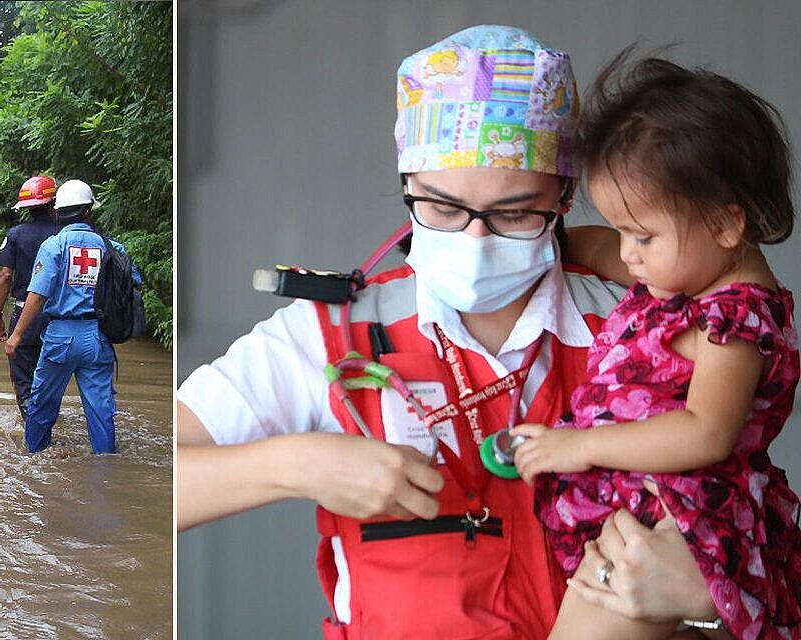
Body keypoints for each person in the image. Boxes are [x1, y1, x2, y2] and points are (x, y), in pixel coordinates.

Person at [178, 26, 725, 639]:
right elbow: (156, 481)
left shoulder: (647, 332)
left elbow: (757, 531)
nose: (475, 241)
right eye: (441, 209)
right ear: (408, 183)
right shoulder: (330, 335)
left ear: (566, 195)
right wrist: (296, 464)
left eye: (514, 212)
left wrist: (707, 601)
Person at [512, 51, 801, 639]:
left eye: (641, 234)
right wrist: (523, 232)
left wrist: (582, 447)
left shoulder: (735, 322)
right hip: (645, 509)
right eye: (622, 228)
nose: (625, 254)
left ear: (726, 224)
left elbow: (705, 432)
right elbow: (590, 248)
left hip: (673, 523)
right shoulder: (685, 270)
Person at [5, 179, 140, 454]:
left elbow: (38, 294)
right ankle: (105, 464)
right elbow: (133, 284)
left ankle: (34, 459)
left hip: (60, 337)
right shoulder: (112, 248)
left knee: (42, 405)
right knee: (101, 410)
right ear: (89, 211)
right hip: (98, 337)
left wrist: (16, 336)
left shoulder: (54, 246)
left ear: (58, 211)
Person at [0, 175, 61, 419]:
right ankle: (49, 421)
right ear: (53, 203)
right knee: (53, 376)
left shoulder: (16, 234)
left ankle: (33, 430)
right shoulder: (65, 234)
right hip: (61, 315)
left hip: (24, 314)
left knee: (23, 378)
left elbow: (5, 275)